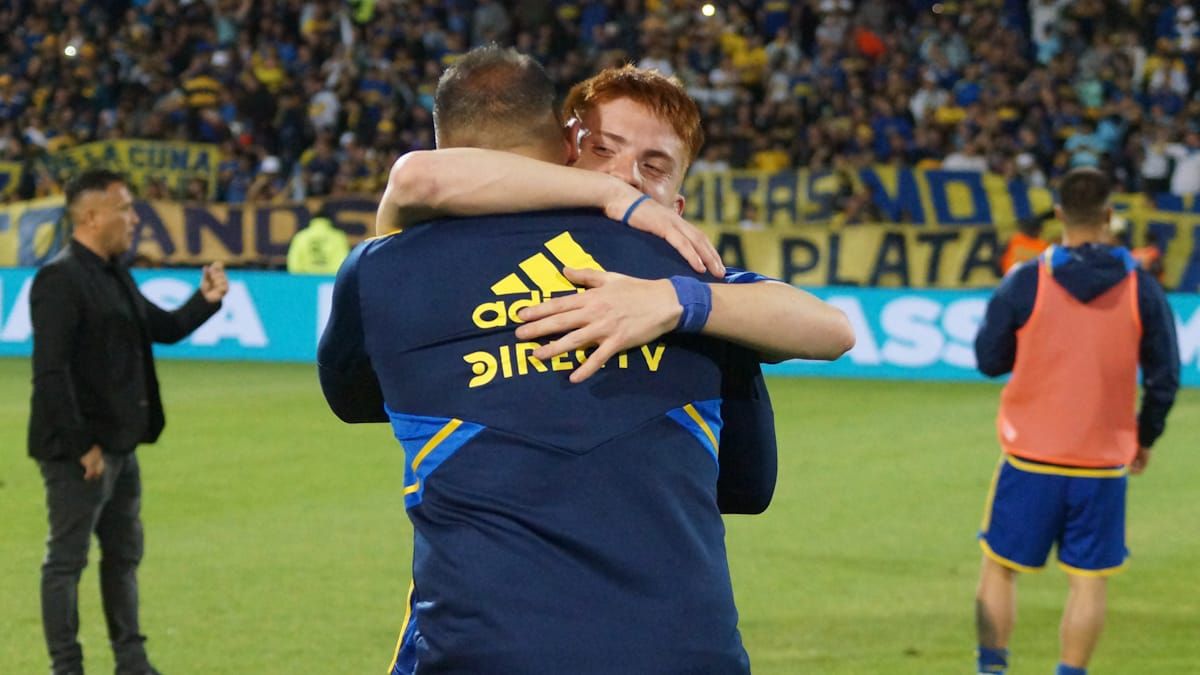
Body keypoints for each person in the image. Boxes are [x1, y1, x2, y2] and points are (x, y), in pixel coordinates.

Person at [319, 48, 853, 674]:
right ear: (569, 146)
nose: (625, 177)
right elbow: (749, 485)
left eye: (653, 167)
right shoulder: (707, 294)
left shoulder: (696, 287)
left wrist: (674, 301)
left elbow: (355, 398)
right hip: (687, 654)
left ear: (675, 206)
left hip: (481, 653)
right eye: (607, 151)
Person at [972, 167, 1180, 675]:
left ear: (1059, 214)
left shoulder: (1027, 280)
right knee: (1089, 581)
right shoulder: (1142, 289)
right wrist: (1144, 437)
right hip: (1103, 460)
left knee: (999, 569)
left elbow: (988, 358)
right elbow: (1164, 378)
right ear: (1110, 215)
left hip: (1030, 456)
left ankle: (992, 668)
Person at [28, 168, 229, 675]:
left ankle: (131, 661)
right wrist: (81, 446)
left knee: (122, 557)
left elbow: (162, 328)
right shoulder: (59, 278)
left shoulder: (113, 273)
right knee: (66, 562)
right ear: (92, 215)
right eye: (125, 208)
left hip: (121, 445)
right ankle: (67, 666)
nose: (134, 218)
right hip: (81, 453)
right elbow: (50, 373)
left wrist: (206, 300)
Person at [286, 210, 350, 275]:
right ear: (329, 221)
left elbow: (294, 261)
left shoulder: (301, 236)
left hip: (304, 281)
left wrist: (298, 278)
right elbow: (343, 261)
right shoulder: (338, 237)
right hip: (330, 281)